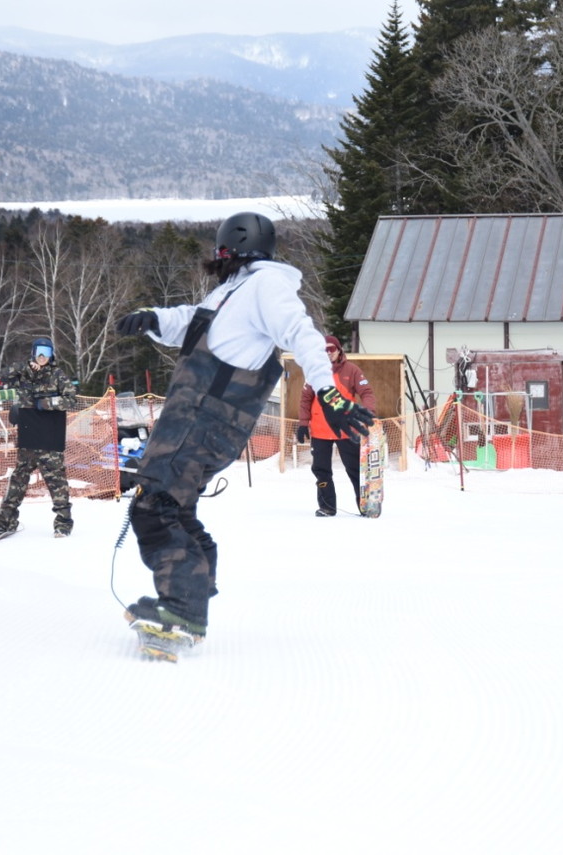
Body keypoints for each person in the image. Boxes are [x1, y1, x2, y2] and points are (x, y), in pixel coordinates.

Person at [115, 212, 373, 653]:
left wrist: (328, 391)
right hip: (191, 417)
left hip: (206, 418)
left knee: (153, 507)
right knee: (174, 508)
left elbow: (301, 334)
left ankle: (182, 607)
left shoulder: (266, 286)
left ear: (229, 248)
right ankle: (192, 591)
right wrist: (153, 318)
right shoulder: (233, 290)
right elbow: (192, 323)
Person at [0, 337, 79, 538]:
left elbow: (71, 400)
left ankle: (63, 524)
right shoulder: (24, 373)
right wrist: (25, 367)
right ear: (33, 353)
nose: (42, 356)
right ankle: (5, 521)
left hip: (50, 438)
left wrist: (46, 404)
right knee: (17, 481)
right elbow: (2, 376)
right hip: (28, 437)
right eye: (39, 351)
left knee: (57, 483)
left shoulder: (58, 375)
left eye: (47, 352)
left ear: (52, 355)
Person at [297, 335, 377, 516]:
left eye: (331, 349)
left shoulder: (352, 370)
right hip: (320, 430)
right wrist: (303, 423)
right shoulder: (314, 372)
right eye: (324, 350)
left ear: (339, 350)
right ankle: (327, 506)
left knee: (356, 469)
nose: (328, 353)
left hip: (345, 429)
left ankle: (365, 505)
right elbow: (305, 399)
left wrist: (368, 412)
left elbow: (366, 392)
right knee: (321, 470)